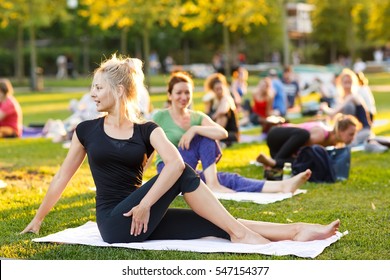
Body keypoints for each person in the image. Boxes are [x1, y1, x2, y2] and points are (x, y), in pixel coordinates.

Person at [21, 54, 340, 245]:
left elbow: (172, 165)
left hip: (142, 215)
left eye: (98, 87)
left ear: (118, 91)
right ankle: (244, 235)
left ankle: (297, 231)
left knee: (217, 222)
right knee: (181, 171)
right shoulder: (86, 130)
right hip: (115, 222)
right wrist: (37, 221)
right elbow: (62, 177)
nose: (92, 94)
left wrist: (146, 205)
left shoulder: (147, 129)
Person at [153, 71, 312, 194]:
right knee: (205, 137)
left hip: (187, 170)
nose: (184, 97)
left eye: (187, 92)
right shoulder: (160, 116)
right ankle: (213, 184)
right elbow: (148, 148)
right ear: (170, 95)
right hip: (168, 168)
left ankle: (282, 185)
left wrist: (194, 129)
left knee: (229, 178)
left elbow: (222, 133)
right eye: (179, 93)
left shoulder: (197, 117)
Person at [256, 114, 360, 169]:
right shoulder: (321, 134)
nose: (352, 138)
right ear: (340, 131)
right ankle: (277, 161)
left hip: (280, 149)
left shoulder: (333, 145)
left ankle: (273, 163)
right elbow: (300, 150)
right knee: (304, 136)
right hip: (277, 135)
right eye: (350, 134)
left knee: (308, 162)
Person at [320, 68, 372, 146]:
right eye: (345, 82)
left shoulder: (353, 97)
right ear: (341, 84)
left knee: (349, 106)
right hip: (350, 132)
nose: (348, 85)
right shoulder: (341, 99)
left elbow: (333, 112)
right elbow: (333, 116)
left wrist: (324, 107)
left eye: (350, 82)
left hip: (363, 130)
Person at [203, 73, 240, 147]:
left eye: (221, 88)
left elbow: (223, 111)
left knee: (222, 115)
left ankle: (216, 139)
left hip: (229, 134)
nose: (220, 91)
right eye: (217, 89)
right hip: (215, 130)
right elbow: (205, 116)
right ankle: (215, 137)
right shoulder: (212, 101)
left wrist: (213, 118)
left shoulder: (227, 99)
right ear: (213, 90)